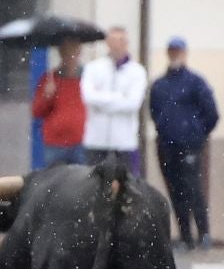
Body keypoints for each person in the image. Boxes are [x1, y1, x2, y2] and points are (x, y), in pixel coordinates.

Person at [147, 36, 219, 249]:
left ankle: (204, 233)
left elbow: (212, 114)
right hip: (166, 146)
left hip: (190, 146)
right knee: (175, 191)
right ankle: (185, 236)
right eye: (171, 50)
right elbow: (154, 111)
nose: (175, 54)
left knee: (194, 189)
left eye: (178, 50)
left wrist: (197, 135)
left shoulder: (196, 82)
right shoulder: (159, 85)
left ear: (185, 53)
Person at [81, 26, 148, 176]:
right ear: (107, 43)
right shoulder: (93, 68)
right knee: (93, 188)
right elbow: (89, 97)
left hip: (124, 143)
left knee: (128, 187)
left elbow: (133, 103)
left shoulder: (137, 72)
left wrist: (103, 100)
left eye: (121, 40)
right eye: (113, 40)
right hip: (96, 141)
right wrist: (118, 97)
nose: (117, 44)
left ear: (127, 43)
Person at [30, 40, 87, 168]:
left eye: (72, 52)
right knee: (54, 182)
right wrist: (47, 95)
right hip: (55, 143)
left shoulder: (88, 78)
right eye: (65, 52)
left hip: (81, 141)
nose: (69, 56)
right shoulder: (50, 79)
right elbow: (36, 111)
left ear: (79, 53)